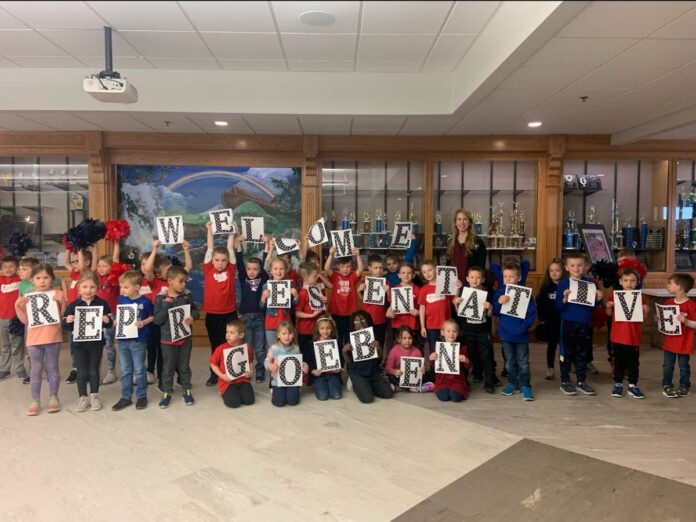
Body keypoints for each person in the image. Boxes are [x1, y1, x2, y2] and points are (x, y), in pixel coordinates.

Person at [15, 263, 65, 416]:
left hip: (53, 337)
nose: (42, 281)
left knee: (52, 367)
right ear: (32, 280)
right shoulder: (27, 298)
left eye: (46, 277)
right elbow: (25, 320)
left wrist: (63, 302)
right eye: (38, 278)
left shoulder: (56, 294)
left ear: (52, 279)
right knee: (35, 369)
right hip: (34, 340)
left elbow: (61, 317)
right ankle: (35, 399)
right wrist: (18, 306)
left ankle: (53, 396)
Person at [142, 239, 193, 391]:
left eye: (172, 269)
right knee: (163, 354)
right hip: (160, 322)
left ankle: (182, 379)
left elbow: (188, 267)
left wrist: (186, 250)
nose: (172, 272)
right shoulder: (155, 281)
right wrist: (154, 249)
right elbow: (147, 269)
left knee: (180, 354)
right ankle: (163, 383)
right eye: (167, 270)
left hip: (178, 323)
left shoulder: (178, 281)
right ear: (159, 273)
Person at [62, 271, 112, 412]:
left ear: (97, 288)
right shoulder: (73, 305)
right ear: (79, 288)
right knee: (82, 371)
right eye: (84, 287)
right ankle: (82, 397)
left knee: (94, 370)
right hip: (79, 344)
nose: (88, 290)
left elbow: (108, 323)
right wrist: (68, 320)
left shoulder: (102, 304)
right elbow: (65, 325)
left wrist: (107, 320)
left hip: (96, 343)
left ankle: (94, 396)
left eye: (92, 287)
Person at [555, 252, 604, 396]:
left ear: (585, 267)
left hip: (584, 322)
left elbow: (593, 306)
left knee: (582, 353)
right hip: (568, 322)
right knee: (566, 352)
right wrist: (564, 298)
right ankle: (565, 381)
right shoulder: (563, 283)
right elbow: (558, 307)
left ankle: (581, 381)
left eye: (580, 265)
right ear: (567, 267)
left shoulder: (590, 283)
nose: (576, 268)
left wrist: (599, 299)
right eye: (573, 265)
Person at [153, 265, 199, 408]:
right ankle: (167, 391)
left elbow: (196, 311)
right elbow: (157, 320)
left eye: (185, 281)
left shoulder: (187, 296)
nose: (184, 284)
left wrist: (192, 316)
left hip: (185, 338)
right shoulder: (160, 299)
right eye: (181, 281)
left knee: (184, 366)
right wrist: (166, 305)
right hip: (168, 339)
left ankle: (186, 389)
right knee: (168, 367)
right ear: (170, 281)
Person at [111, 270, 154, 411]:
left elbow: (153, 316)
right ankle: (126, 397)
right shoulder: (122, 299)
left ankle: (141, 396)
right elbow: (120, 314)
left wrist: (144, 322)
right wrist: (117, 320)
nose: (122, 290)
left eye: (125, 287)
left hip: (138, 339)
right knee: (125, 370)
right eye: (121, 287)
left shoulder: (145, 301)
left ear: (136, 287)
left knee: (139, 369)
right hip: (123, 340)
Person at [493, 263, 537, 401]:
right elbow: (494, 312)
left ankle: (525, 384)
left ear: (519, 278)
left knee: (523, 361)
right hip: (506, 334)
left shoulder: (525, 294)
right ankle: (512, 383)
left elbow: (531, 313)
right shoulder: (500, 292)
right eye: (505, 276)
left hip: (521, 334)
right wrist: (499, 302)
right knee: (509, 362)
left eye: (511, 276)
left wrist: (524, 327)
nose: (507, 279)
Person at [202, 221, 237, 387]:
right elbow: (210, 248)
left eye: (224, 260)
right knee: (216, 345)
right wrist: (209, 230)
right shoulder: (208, 269)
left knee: (231, 343)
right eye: (217, 260)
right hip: (213, 314)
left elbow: (230, 249)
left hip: (229, 313)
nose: (220, 263)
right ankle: (214, 374)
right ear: (212, 261)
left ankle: (231, 371)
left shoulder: (230, 269)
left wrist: (231, 232)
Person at [606, 267, 648, 399]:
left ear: (637, 282)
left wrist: (646, 311)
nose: (629, 283)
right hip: (618, 336)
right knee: (618, 361)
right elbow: (608, 314)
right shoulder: (614, 296)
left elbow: (643, 318)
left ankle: (632, 385)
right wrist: (608, 306)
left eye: (632, 280)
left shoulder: (640, 298)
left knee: (633, 362)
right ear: (620, 282)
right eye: (626, 280)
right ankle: (618, 384)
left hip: (633, 337)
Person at [235, 234, 270, 382]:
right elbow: (239, 261)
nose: (251, 272)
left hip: (261, 317)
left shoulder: (263, 278)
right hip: (247, 318)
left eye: (255, 269)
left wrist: (267, 244)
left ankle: (260, 371)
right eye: (249, 269)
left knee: (260, 348)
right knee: (248, 347)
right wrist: (238, 243)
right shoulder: (244, 278)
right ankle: (246, 370)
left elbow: (266, 261)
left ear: (259, 270)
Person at [459, 265, 498, 394]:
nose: (475, 280)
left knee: (485, 357)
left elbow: (488, 316)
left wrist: (490, 308)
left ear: (482, 280)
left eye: (478, 278)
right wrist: (456, 303)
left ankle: (489, 381)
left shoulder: (487, 294)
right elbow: (459, 313)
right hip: (468, 330)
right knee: (467, 355)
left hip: (482, 331)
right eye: (472, 277)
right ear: (467, 278)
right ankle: (463, 380)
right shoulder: (463, 292)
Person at [342, 310, 393, 403]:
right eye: (356, 322)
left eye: (363, 320)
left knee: (388, 394)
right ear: (353, 325)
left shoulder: (373, 335)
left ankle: (366, 386)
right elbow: (349, 362)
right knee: (367, 399)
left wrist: (378, 348)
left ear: (369, 322)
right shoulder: (350, 337)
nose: (360, 324)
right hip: (357, 372)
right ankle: (355, 383)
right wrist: (344, 352)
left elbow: (380, 359)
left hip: (372, 372)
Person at [660, 273, 696, 398]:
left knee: (684, 366)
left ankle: (684, 385)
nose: (667, 286)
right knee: (668, 366)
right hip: (670, 341)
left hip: (684, 342)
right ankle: (667, 384)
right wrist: (659, 319)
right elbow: (664, 323)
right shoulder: (668, 302)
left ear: (679, 287)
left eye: (670, 283)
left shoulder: (691, 305)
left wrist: (686, 321)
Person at [62, 248, 93, 385]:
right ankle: (75, 368)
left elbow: (80, 265)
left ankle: (86, 369)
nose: (73, 264)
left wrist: (79, 249)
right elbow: (65, 262)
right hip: (72, 312)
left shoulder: (85, 274)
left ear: (87, 262)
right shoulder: (74, 274)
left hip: (83, 311)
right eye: (73, 261)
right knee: (73, 342)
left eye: (76, 261)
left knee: (85, 343)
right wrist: (68, 249)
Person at [209, 319, 255, 408]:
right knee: (234, 403)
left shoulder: (247, 348)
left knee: (249, 401)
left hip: (243, 379)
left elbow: (250, 361)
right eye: (227, 332)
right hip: (227, 382)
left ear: (241, 335)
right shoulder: (221, 348)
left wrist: (251, 371)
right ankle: (223, 393)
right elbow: (212, 363)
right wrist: (222, 376)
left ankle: (238, 391)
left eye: (232, 333)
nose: (228, 335)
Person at [324, 246, 363, 348]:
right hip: (336, 312)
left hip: (350, 313)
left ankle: (348, 360)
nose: (345, 269)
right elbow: (326, 268)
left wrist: (358, 255)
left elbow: (360, 270)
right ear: (337, 266)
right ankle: (339, 360)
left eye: (348, 266)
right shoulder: (335, 276)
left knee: (349, 337)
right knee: (337, 337)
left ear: (352, 266)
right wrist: (331, 254)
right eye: (342, 266)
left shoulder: (352, 277)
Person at [295, 261, 327, 383]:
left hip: (317, 329)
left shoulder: (316, 290)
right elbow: (297, 313)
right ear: (307, 278)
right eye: (315, 276)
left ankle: (317, 375)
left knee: (317, 353)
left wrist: (325, 300)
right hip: (305, 330)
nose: (317, 277)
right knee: (306, 355)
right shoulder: (302, 293)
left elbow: (322, 307)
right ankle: (307, 377)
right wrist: (311, 315)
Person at [418, 259, 459, 351]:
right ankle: (433, 366)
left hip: (447, 326)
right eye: (424, 272)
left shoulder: (445, 286)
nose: (427, 273)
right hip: (431, 326)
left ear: (436, 270)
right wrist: (422, 326)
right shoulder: (424, 289)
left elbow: (454, 300)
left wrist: (457, 288)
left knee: (447, 349)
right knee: (434, 350)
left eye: (430, 270)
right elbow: (422, 308)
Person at [265, 320, 308, 407]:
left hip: (292, 381)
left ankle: (296, 390)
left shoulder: (296, 348)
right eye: (283, 334)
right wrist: (270, 365)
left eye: (289, 333)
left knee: (293, 402)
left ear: (293, 335)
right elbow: (266, 361)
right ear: (278, 335)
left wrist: (304, 366)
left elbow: (300, 362)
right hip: (278, 381)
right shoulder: (274, 348)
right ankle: (275, 389)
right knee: (279, 402)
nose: (287, 336)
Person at [428, 319, 472, 402]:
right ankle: (444, 388)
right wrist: (431, 358)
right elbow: (434, 364)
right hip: (442, 379)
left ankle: (457, 389)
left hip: (457, 379)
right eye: (448, 331)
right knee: (444, 396)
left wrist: (466, 360)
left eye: (454, 331)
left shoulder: (462, 349)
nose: (451, 334)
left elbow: (468, 366)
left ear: (458, 333)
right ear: (442, 333)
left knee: (456, 397)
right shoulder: (438, 348)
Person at [95, 245, 121, 385]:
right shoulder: (96, 278)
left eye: (105, 266)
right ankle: (95, 372)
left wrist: (116, 243)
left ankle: (111, 371)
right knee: (99, 344)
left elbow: (116, 260)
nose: (101, 268)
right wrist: (94, 249)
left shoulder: (114, 279)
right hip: (98, 316)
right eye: (99, 266)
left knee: (111, 344)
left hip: (114, 315)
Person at [260, 257, 298, 351]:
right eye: (275, 268)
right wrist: (263, 298)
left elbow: (293, 305)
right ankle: (272, 365)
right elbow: (261, 307)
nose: (278, 271)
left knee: (287, 348)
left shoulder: (289, 285)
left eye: (281, 268)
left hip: (285, 322)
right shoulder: (266, 286)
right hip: (271, 324)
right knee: (272, 349)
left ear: (285, 270)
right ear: (271, 271)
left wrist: (296, 296)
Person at [536, 258, 565, 380]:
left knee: (565, 345)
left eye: (557, 270)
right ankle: (550, 367)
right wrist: (542, 319)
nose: (554, 273)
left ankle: (566, 367)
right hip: (551, 320)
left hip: (564, 319)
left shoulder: (566, 285)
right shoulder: (546, 288)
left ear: (563, 271)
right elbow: (540, 303)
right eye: (551, 270)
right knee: (552, 345)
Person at [386, 262, 421, 357]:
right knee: (398, 350)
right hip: (398, 324)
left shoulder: (418, 290)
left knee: (413, 349)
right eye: (403, 273)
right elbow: (390, 309)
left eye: (409, 273)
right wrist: (389, 313)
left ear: (413, 275)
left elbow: (422, 309)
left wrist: (418, 313)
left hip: (412, 324)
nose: (406, 275)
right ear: (399, 275)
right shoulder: (396, 289)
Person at [385, 326, 433, 393]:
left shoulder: (417, 351)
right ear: (398, 339)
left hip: (413, 378)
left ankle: (400, 388)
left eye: (409, 338)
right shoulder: (394, 351)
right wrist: (394, 371)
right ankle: (415, 388)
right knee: (390, 377)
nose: (407, 341)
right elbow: (388, 368)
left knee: (427, 375)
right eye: (404, 338)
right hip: (399, 376)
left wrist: (422, 370)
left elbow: (421, 367)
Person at [446, 209, 487, 288]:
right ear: (455, 222)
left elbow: (480, 267)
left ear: (470, 222)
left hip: (470, 286)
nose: (462, 222)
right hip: (453, 285)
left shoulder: (478, 242)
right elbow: (448, 265)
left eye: (465, 219)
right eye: (459, 219)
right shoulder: (451, 242)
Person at [0, 255, 25, 382]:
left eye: (11, 266)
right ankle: (4, 369)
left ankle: (20, 368)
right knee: (5, 345)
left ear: (17, 268)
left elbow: (26, 268)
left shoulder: (20, 280)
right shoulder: (1, 280)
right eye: (5, 267)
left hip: (16, 317)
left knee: (17, 345)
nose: (8, 269)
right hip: (2, 317)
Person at [358, 255, 390, 349]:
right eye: (376, 268)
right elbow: (361, 299)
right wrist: (358, 291)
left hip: (380, 318)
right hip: (367, 317)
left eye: (381, 268)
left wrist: (388, 291)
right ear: (369, 268)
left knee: (380, 341)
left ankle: (379, 362)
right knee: (367, 341)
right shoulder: (365, 281)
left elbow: (389, 300)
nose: (379, 270)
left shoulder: (386, 282)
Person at [308, 316, 342, 401]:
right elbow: (309, 360)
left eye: (328, 328)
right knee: (323, 396)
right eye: (322, 328)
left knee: (336, 395)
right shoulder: (312, 344)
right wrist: (312, 370)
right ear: (318, 329)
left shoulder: (337, 343)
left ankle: (333, 384)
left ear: (332, 329)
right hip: (319, 375)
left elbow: (341, 359)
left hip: (333, 374)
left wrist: (339, 368)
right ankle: (318, 385)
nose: (325, 331)